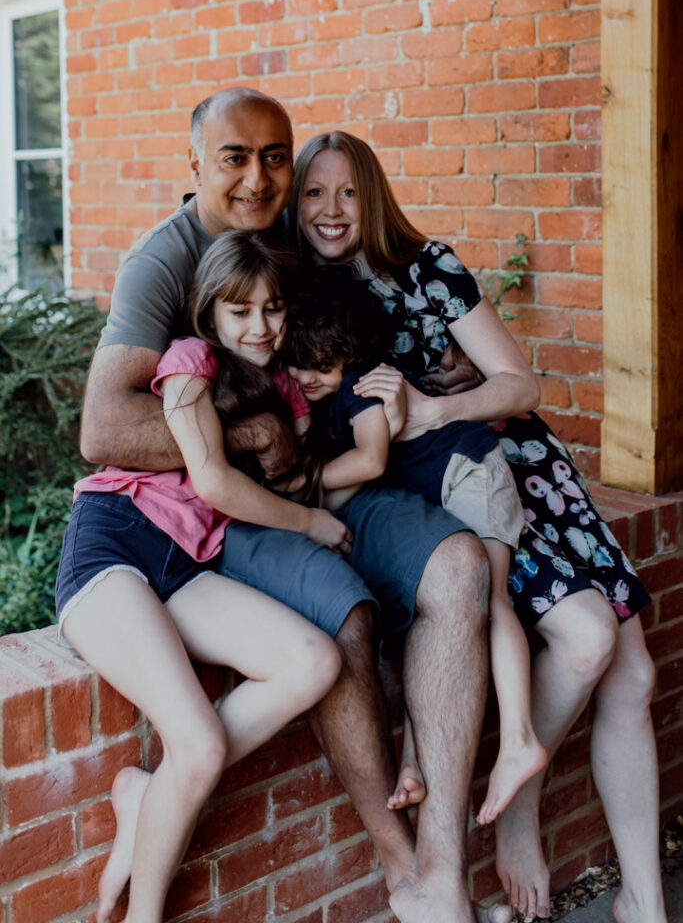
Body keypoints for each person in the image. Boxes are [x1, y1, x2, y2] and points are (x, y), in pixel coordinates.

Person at [79, 86, 515, 923]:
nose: (257, 178)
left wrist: (430, 378)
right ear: (195, 164)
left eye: (273, 157)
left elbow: (373, 298)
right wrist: (253, 434)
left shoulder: (293, 224)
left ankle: (442, 870)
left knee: (460, 567)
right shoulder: (163, 263)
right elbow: (104, 429)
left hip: (345, 468)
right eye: (234, 159)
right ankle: (400, 874)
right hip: (237, 508)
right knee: (344, 623)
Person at [290, 129, 668, 923]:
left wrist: (441, 406)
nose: (331, 210)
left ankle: (643, 901)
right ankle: (517, 806)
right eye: (314, 192)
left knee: (633, 675)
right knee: (589, 642)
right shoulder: (296, 290)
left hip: (519, 464)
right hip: (446, 491)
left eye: (348, 191)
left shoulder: (427, 265)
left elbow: (517, 381)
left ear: (373, 194)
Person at [56, 231, 346, 923]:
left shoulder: (282, 388)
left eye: (272, 309)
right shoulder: (191, 362)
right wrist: (308, 526)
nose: (259, 327)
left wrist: (356, 406)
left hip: (185, 563)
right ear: (209, 312)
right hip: (115, 544)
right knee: (201, 743)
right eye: (239, 311)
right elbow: (213, 481)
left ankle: (147, 791)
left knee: (313, 662)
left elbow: (300, 479)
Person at [285, 262, 548, 825]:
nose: (307, 376)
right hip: (448, 484)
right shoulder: (331, 388)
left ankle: (520, 738)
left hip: (470, 473)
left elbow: (371, 459)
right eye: (298, 363)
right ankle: (415, 766)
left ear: (346, 355)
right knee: (434, 624)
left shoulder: (360, 387)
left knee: (490, 602)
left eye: (321, 366)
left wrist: (300, 484)